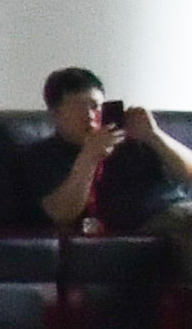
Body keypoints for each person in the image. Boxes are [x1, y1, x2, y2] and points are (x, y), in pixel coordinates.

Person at [37, 64, 192, 251]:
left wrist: (154, 135)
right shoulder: (44, 155)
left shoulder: (133, 138)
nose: (90, 116)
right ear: (55, 114)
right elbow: (62, 214)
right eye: (79, 108)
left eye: (95, 106)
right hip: (147, 220)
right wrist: (89, 157)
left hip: (177, 205)